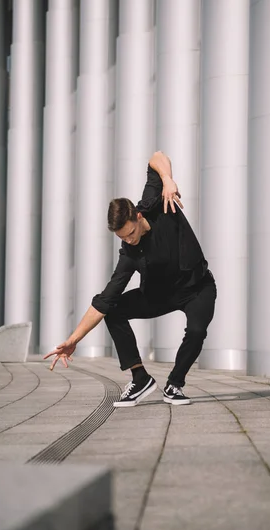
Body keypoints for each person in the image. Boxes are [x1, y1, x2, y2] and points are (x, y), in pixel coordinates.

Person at [44, 151, 217, 407]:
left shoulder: (155, 203)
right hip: (159, 295)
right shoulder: (129, 255)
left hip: (197, 286)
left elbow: (157, 157)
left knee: (196, 331)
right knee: (113, 310)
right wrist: (73, 340)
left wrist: (168, 179)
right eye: (122, 238)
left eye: (131, 234)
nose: (129, 241)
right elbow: (103, 301)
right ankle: (140, 378)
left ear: (137, 216)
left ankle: (174, 384)